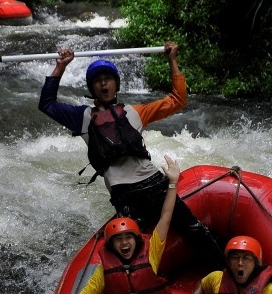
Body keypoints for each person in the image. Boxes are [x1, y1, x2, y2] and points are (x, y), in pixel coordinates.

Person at [38, 43, 222, 271]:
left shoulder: (136, 112)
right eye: (98, 80)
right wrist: (60, 67)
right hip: (125, 195)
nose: (103, 83)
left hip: (155, 185)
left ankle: (222, 273)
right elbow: (46, 104)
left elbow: (177, 100)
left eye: (108, 78)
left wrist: (172, 60)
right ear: (92, 88)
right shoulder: (82, 117)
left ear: (116, 84)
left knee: (195, 228)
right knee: (134, 255)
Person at [51, 156, 181, 294]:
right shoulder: (105, 271)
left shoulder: (152, 252)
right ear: (111, 245)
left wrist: (173, 183)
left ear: (136, 239)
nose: (124, 244)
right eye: (118, 240)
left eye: (128, 238)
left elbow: (165, 217)